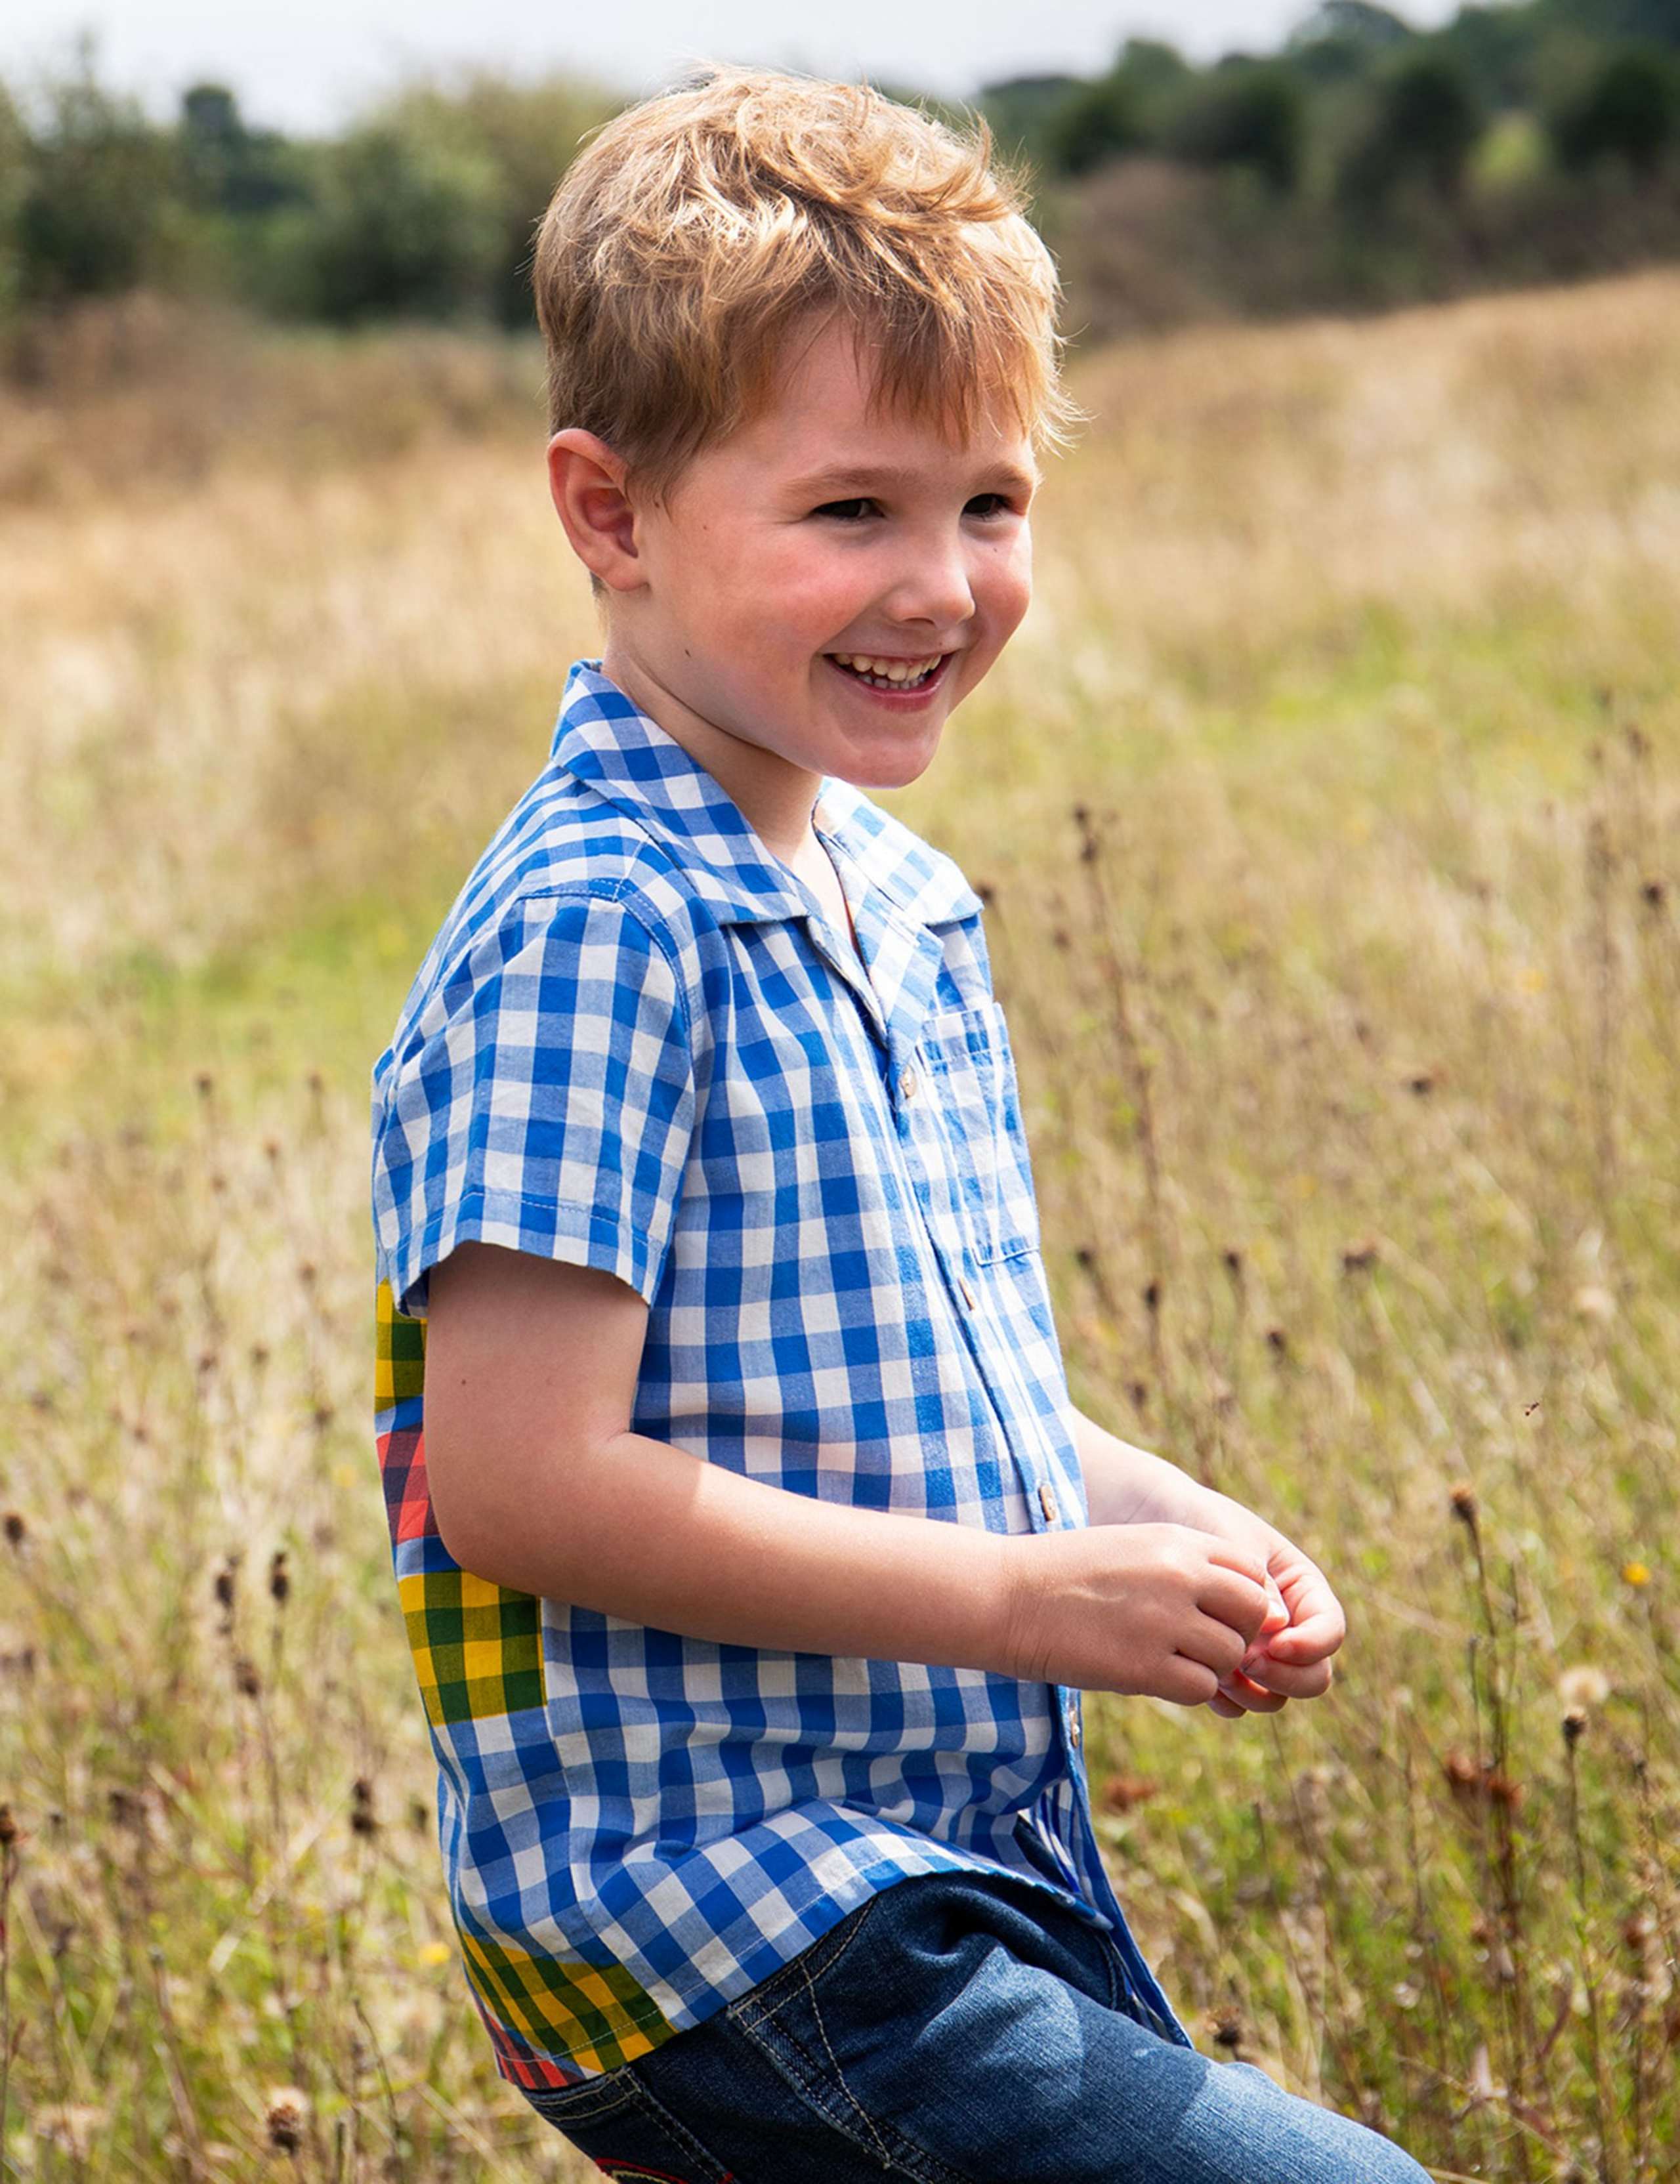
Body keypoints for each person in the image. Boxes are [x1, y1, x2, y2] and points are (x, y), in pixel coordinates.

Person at [369, 64, 1430, 2183]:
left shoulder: (894, 894)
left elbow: (934, 1381)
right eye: (853, 510)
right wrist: (1030, 1605)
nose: (939, 584)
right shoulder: (604, 925)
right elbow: (517, 1480)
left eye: (992, 504)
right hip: (719, 1922)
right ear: (609, 515)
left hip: (932, 1861)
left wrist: (1159, 1521)